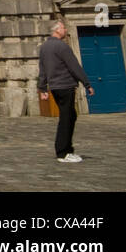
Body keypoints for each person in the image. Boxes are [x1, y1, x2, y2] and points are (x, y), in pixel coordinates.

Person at [37, 21, 94, 162]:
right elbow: (74, 66)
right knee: (66, 118)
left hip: (55, 87)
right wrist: (87, 84)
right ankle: (63, 152)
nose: (66, 30)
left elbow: (42, 69)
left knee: (69, 116)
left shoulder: (44, 47)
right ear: (56, 30)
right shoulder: (62, 46)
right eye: (63, 28)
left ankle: (67, 149)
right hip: (65, 85)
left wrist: (42, 87)